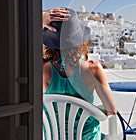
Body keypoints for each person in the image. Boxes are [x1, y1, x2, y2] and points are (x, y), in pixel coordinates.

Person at [42, 7, 117, 139]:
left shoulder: (41, 70)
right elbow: (111, 110)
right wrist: (89, 111)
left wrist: (40, 21)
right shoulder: (93, 69)